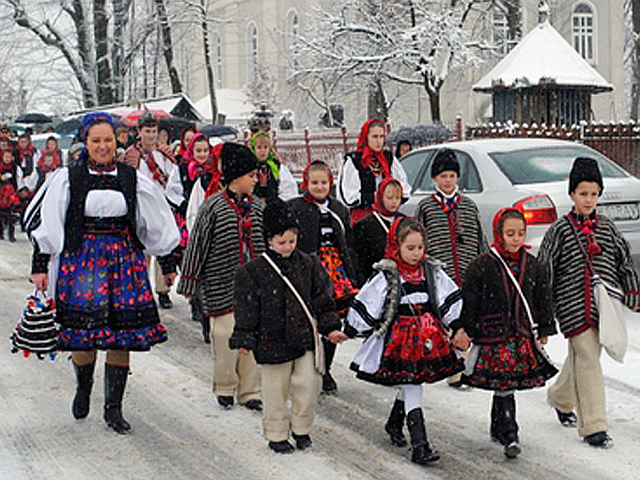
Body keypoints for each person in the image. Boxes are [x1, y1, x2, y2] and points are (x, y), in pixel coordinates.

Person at [24, 112, 179, 434]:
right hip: (82, 262)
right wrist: (40, 265)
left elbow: (154, 220)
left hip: (125, 262)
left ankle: (114, 409)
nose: (103, 146)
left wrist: (167, 260)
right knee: (85, 335)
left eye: (108, 139)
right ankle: (83, 387)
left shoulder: (131, 177)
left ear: (117, 140)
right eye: (96, 140)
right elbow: (49, 223)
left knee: (121, 337)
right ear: (87, 142)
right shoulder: (69, 177)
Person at [344, 218, 467, 465]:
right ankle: (420, 445)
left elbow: (447, 298)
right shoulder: (387, 274)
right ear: (396, 245)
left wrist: (456, 324)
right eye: (410, 248)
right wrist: (352, 327)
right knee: (412, 383)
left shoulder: (432, 271)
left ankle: (394, 423)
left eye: (420, 248)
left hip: (428, 335)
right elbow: (370, 301)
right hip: (400, 338)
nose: (416, 254)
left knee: (412, 380)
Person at [538, 157, 640, 449]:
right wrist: (543, 311)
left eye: (594, 194)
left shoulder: (607, 228)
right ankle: (594, 425)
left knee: (584, 356)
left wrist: (633, 292)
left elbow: (624, 261)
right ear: (571, 194)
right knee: (587, 356)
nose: (588, 199)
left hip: (603, 303)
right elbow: (545, 269)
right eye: (582, 193)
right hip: (571, 305)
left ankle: (560, 397)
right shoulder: (559, 230)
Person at [230, 199, 346, 453]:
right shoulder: (253, 271)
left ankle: (301, 428)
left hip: (303, 336)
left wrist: (330, 328)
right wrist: (244, 339)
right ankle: (276, 433)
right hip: (271, 339)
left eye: (292, 241)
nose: (287, 247)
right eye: (281, 242)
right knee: (275, 390)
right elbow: (247, 309)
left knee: (310, 383)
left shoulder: (308, 264)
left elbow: (322, 300)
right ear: (269, 240)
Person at [459, 208, 558, 458]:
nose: (516, 238)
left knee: (506, 384)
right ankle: (510, 431)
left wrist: (544, 327)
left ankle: (501, 426)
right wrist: (467, 329)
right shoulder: (482, 266)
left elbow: (541, 298)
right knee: (504, 383)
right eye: (510, 233)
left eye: (520, 233)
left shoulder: (533, 265)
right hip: (494, 336)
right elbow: (471, 300)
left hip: (520, 335)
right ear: (498, 234)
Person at [178, 142, 263, 411]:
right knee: (225, 336)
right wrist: (189, 280)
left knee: (251, 337)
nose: (255, 180)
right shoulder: (213, 206)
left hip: (255, 286)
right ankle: (225, 386)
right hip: (221, 282)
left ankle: (251, 391)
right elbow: (198, 244)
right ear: (236, 177)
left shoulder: (260, 208)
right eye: (251, 175)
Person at [415, 149, 487, 388]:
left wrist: (484, 266)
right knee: (443, 318)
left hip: (467, 272)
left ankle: (460, 369)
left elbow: (480, 240)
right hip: (439, 274)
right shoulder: (426, 207)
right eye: (443, 176)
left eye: (452, 175)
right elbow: (418, 241)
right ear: (435, 179)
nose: (448, 180)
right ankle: (445, 362)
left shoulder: (468, 206)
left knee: (464, 318)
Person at [288, 160, 359, 394]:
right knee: (308, 319)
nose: (319, 187)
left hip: (335, 270)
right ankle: (303, 367)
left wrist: (352, 273)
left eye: (324, 182)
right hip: (308, 269)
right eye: (314, 182)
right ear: (306, 183)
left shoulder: (338, 209)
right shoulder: (296, 208)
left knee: (332, 319)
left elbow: (347, 243)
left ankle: (325, 368)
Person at [122, 114, 178, 309]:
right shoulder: (131, 155)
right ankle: (141, 287)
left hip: (162, 205)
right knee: (142, 250)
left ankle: (163, 290)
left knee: (163, 247)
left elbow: (174, 177)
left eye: (154, 131)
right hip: (141, 208)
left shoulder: (165, 153)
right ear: (139, 132)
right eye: (147, 131)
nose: (151, 135)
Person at [177, 133, 223, 343]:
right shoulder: (202, 180)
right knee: (206, 281)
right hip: (205, 237)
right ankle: (205, 319)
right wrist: (200, 234)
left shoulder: (237, 183)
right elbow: (193, 211)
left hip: (227, 243)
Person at [337, 119, 410, 224]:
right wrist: (376, 198)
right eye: (374, 137)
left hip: (387, 216)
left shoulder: (388, 158)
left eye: (381, 137)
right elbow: (349, 197)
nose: (378, 141)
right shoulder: (354, 160)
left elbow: (404, 189)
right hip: (362, 218)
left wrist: (392, 198)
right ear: (366, 137)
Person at [352, 178, 405, 282]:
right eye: (390, 198)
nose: (394, 202)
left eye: (397, 198)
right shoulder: (365, 225)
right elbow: (360, 258)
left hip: (401, 278)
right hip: (375, 278)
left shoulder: (405, 222)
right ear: (381, 198)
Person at [249, 130, 298, 202]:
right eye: (259, 147)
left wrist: (277, 203)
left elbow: (289, 189)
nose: (263, 151)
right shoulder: (249, 166)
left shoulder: (276, 167)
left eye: (265, 147)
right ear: (254, 149)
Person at [0, 148, 23, 242]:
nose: (7, 159)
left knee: (11, 215)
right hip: (1, 193)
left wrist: (18, 190)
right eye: (6, 157)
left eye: (9, 157)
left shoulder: (15, 168)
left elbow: (19, 179)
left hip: (11, 194)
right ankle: (1, 232)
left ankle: (11, 234)